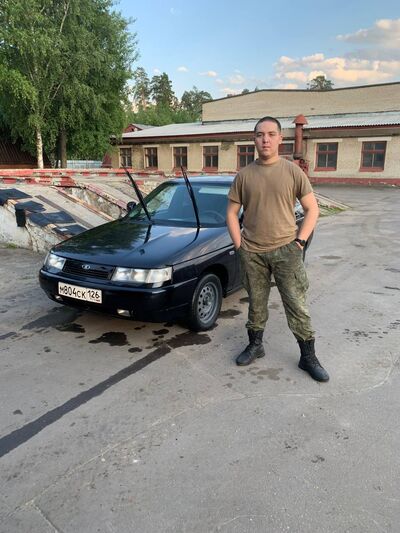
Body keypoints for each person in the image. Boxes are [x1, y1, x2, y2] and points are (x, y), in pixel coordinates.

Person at [226, 116, 329, 382]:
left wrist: (299, 242)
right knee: (256, 303)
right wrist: (240, 247)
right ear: (254, 139)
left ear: (280, 139)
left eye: (271, 134)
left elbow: (312, 209)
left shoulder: (293, 172)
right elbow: (231, 213)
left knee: (296, 304)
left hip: (286, 250)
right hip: (253, 252)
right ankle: (255, 345)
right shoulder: (244, 176)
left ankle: (308, 357)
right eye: (260, 135)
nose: (265, 140)